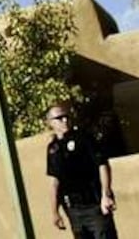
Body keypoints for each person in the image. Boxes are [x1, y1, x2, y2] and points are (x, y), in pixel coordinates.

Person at [44, 102, 118, 239]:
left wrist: (106, 194)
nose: (65, 120)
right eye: (59, 118)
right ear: (50, 123)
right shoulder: (53, 149)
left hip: (95, 205)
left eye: (67, 116)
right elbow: (54, 182)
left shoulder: (84, 138)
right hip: (74, 209)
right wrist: (55, 212)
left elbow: (102, 164)